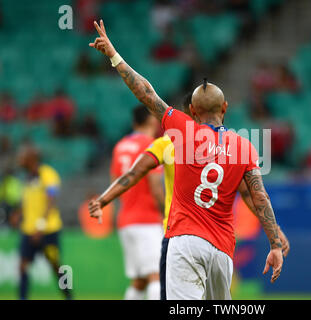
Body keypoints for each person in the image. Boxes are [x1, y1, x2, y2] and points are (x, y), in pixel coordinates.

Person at [88, 20, 284, 300]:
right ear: (225, 108)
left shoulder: (182, 131)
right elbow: (259, 197)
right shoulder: (245, 147)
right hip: (222, 250)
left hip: (185, 240)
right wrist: (275, 243)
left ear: (192, 110)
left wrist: (114, 56)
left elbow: (146, 93)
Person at [109, 105, 164, 300]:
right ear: (152, 120)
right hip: (146, 219)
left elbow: (114, 184)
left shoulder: (120, 146)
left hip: (125, 220)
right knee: (157, 275)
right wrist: (167, 211)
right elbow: (156, 185)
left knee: (139, 280)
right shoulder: (151, 145)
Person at [11, 146, 72, 300]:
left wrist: (40, 226)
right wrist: (18, 213)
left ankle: (69, 296)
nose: (20, 160)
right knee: (22, 266)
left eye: (22, 156)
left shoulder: (47, 173)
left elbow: (51, 200)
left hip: (48, 229)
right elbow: (28, 202)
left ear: (32, 158)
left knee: (56, 266)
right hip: (28, 230)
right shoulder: (27, 178)